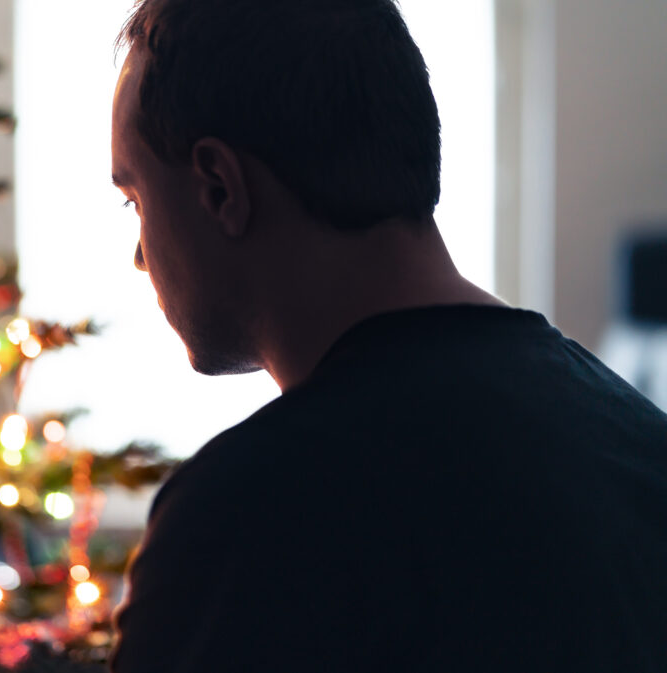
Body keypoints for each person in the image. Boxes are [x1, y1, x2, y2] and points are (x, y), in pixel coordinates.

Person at [107, 0, 667, 671]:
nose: (140, 256)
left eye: (135, 199)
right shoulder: (640, 447)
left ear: (221, 187)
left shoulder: (247, 523)